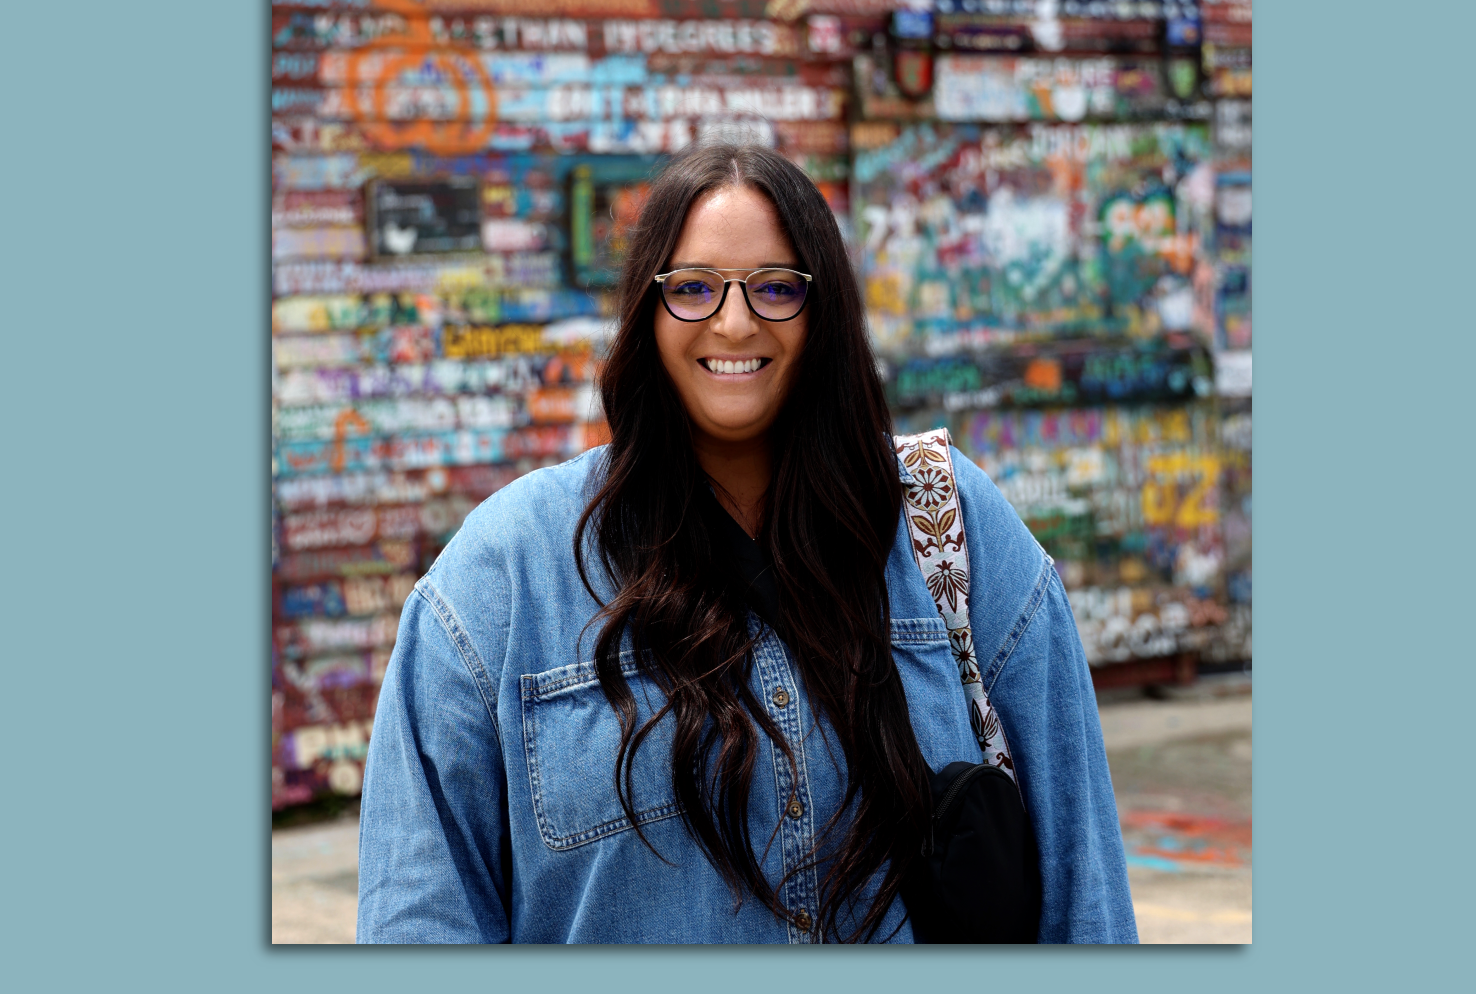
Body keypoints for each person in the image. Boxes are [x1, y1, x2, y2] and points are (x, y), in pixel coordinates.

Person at [355, 143, 1137, 944]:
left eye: (775, 288)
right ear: (646, 313)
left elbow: (1086, 895)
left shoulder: (946, 525)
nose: (735, 322)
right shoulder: (501, 579)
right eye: (693, 288)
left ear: (822, 308)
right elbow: (419, 919)